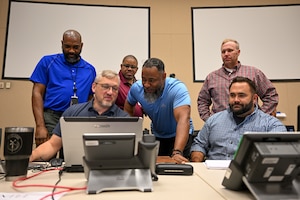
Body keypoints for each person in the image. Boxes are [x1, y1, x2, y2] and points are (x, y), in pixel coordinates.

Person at [30, 70, 129, 161]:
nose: (110, 92)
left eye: (115, 88)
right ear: (94, 87)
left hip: (111, 171)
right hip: (73, 172)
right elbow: (52, 145)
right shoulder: (72, 113)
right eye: (105, 87)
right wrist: (29, 158)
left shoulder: (125, 120)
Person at [190, 76, 287, 162]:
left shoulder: (271, 125)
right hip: (212, 174)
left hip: (248, 177)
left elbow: (279, 153)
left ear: (254, 99)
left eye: (241, 95)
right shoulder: (213, 120)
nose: (236, 100)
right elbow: (199, 145)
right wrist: (197, 159)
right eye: (232, 95)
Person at [30, 29, 96, 147]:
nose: (71, 51)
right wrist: (40, 126)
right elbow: (37, 93)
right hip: (51, 117)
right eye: (67, 46)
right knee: (45, 157)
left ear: (81, 46)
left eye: (75, 47)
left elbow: (91, 99)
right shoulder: (47, 62)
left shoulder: (90, 70)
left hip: (77, 119)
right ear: (62, 44)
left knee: (72, 159)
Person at [124, 57, 194, 164]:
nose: (147, 84)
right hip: (158, 136)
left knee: (177, 168)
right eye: (144, 79)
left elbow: (183, 119)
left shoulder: (177, 88)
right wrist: (132, 133)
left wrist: (177, 152)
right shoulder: (136, 89)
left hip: (179, 136)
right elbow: (128, 106)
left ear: (163, 76)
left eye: (152, 80)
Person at [197, 38, 278, 122]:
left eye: (230, 50)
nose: (226, 54)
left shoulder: (253, 73)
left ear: (238, 52)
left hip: (249, 124)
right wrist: (210, 120)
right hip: (220, 126)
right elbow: (202, 101)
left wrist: (260, 116)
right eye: (223, 52)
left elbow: (271, 95)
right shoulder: (211, 77)